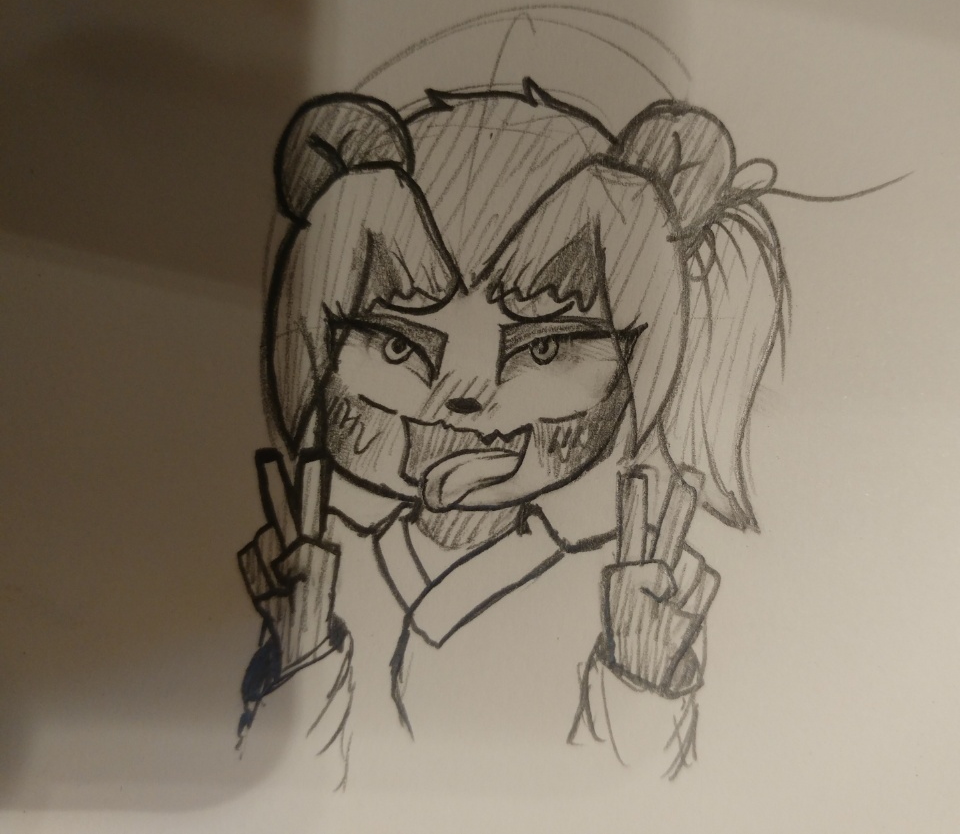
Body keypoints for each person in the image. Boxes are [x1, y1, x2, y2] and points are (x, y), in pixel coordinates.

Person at [235, 76, 787, 786]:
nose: (463, 398)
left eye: (543, 348)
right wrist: (300, 656)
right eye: (400, 345)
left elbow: (642, 803)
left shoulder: (624, 595)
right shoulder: (319, 577)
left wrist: (641, 677)